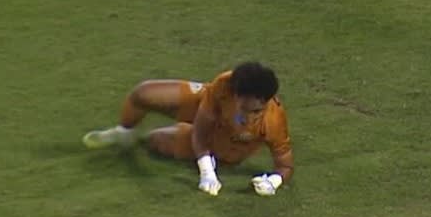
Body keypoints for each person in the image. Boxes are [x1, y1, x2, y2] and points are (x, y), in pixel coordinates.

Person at [83, 61, 292, 197]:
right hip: (212, 110)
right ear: (235, 93)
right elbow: (201, 127)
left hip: (228, 142)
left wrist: (274, 180)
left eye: (254, 111)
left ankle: (158, 136)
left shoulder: (273, 121)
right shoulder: (224, 84)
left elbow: (285, 165)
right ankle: (124, 134)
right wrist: (206, 171)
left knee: (155, 141)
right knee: (143, 93)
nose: (248, 115)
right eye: (244, 108)